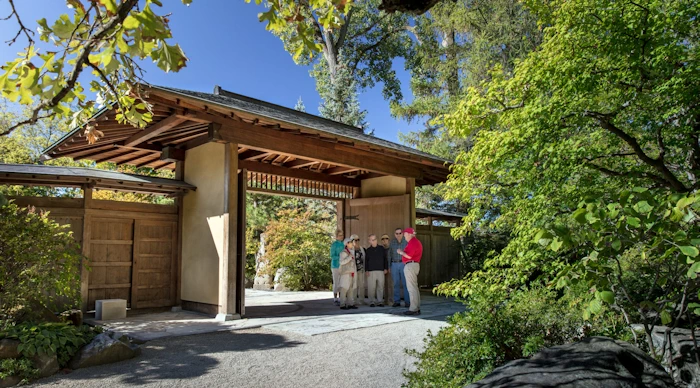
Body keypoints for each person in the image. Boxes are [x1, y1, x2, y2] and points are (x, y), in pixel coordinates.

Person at [397, 227, 423, 316]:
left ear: (409, 234)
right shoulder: (416, 242)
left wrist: (401, 252)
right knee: (414, 287)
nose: (404, 236)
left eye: (405, 234)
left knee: (411, 288)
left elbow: (408, 256)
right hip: (414, 265)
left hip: (410, 265)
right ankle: (416, 307)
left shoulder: (413, 242)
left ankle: (413, 309)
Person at [365, 234, 388, 307]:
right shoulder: (368, 250)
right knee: (371, 287)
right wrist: (366, 270)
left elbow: (385, 259)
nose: (374, 241)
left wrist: (385, 268)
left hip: (381, 270)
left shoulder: (381, 249)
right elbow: (366, 261)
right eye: (372, 240)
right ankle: (372, 301)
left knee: (380, 286)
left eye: (375, 239)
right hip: (371, 271)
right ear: (369, 241)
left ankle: (380, 301)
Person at [388, 227, 409, 308]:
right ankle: (397, 301)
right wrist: (389, 266)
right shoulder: (392, 242)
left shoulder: (406, 242)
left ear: (402, 234)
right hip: (394, 264)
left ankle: (407, 301)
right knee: (395, 284)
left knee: (405, 283)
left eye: (400, 233)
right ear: (395, 234)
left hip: (404, 264)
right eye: (396, 233)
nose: (398, 235)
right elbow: (389, 255)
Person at [338, 237, 357, 310]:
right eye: (350, 242)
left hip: (351, 272)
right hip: (345, 273)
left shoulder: (351, 251)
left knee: (350, 289)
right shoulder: (343, 252)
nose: (352, 244)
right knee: (344, 288)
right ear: (347, 244)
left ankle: (350, 303)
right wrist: (349, 258)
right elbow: (341, 262)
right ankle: (342, 304)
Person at [330, 229, 345, 306]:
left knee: (342, 282)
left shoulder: (344, 244)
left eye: (342, 235)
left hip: (343, 266)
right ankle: (335, 298)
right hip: (335, 265)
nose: (341, 237)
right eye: (340, 235)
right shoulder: (334, 245)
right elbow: (332, 255)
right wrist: (340, 258)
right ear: (336, 236)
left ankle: (341, 297)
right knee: (336, 282)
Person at [351, 234, 366, 305]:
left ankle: (361, 300)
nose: (357, 241)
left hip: (361, 269)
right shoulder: (350, 250)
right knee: (354, 285)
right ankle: (353, 300)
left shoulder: (362, 249)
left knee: (361, 285)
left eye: (358, 240)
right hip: (353, 270)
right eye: (355, 240)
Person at [381, 234, 393, 306]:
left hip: (390, 269)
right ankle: (385, 300)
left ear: (388, 240)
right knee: (384, 285)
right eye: (383, 239)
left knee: (390, 285)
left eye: (386, 238)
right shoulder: (381, 249)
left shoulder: (391, 248)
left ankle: (391, 300)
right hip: (382, 269)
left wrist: (390, 267)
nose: (384, 240)